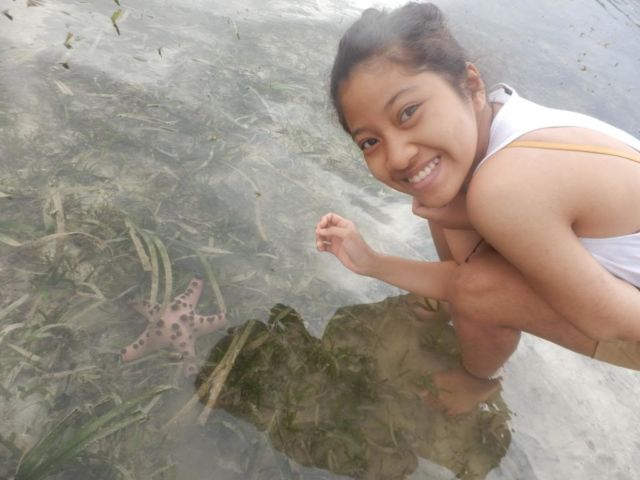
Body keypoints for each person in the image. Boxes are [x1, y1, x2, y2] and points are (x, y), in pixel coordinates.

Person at [314, 1, 640, 409]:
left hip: (626, 316)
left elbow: (609, 320)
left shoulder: (505, 187)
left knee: (476, 290)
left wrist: (373, 264)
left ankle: (476, 381)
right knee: (445, 196)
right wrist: (464, 213)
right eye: (369, 141)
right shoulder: (502, 118)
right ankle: (461, 308)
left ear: (470, 85)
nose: (396, 157)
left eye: (408, 112)